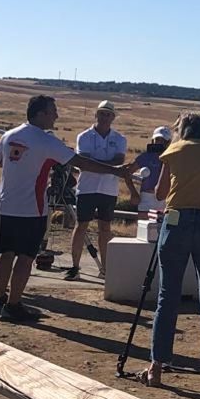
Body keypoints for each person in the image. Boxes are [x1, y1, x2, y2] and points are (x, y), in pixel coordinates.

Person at [0, 95, 136, 323]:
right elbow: (81, 163)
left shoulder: (9, 136)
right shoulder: (46, 141)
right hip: (32, 208)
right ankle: (13, 305)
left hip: (7, 204)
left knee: (6, 253)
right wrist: (116, 171)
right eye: (52, 111)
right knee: (25, 258)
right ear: (40, 114)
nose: (56, 115)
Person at [138, 112, 200, 391]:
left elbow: (159, 193)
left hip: (176, 221)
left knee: (167, 295)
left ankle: (156, 367)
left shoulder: (174, 150)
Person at [66, 101, 127, 281]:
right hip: (87, 188)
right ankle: (75, 266)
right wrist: (109, 167)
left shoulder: (120, 139)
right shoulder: (84, 136)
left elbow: (119, 160)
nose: (105, 117)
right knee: (81, 225)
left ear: (113, 117)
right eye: (102, 113)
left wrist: (94, 164)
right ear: (96, 115)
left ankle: (105, 269)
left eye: (108, 114)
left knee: (105, 228)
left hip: (108, 189)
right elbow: (83, 162)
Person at [132, 127, 172, 212]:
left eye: (163, 141)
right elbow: (127, 172)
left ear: (168, 143)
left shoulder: (172, 158)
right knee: (144, 224)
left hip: (166, 199)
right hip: (147, 197)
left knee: (163, 224)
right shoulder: (146, 157)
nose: (160, 143)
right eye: (157, 139)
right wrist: (134, 193)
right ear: (153, 140)